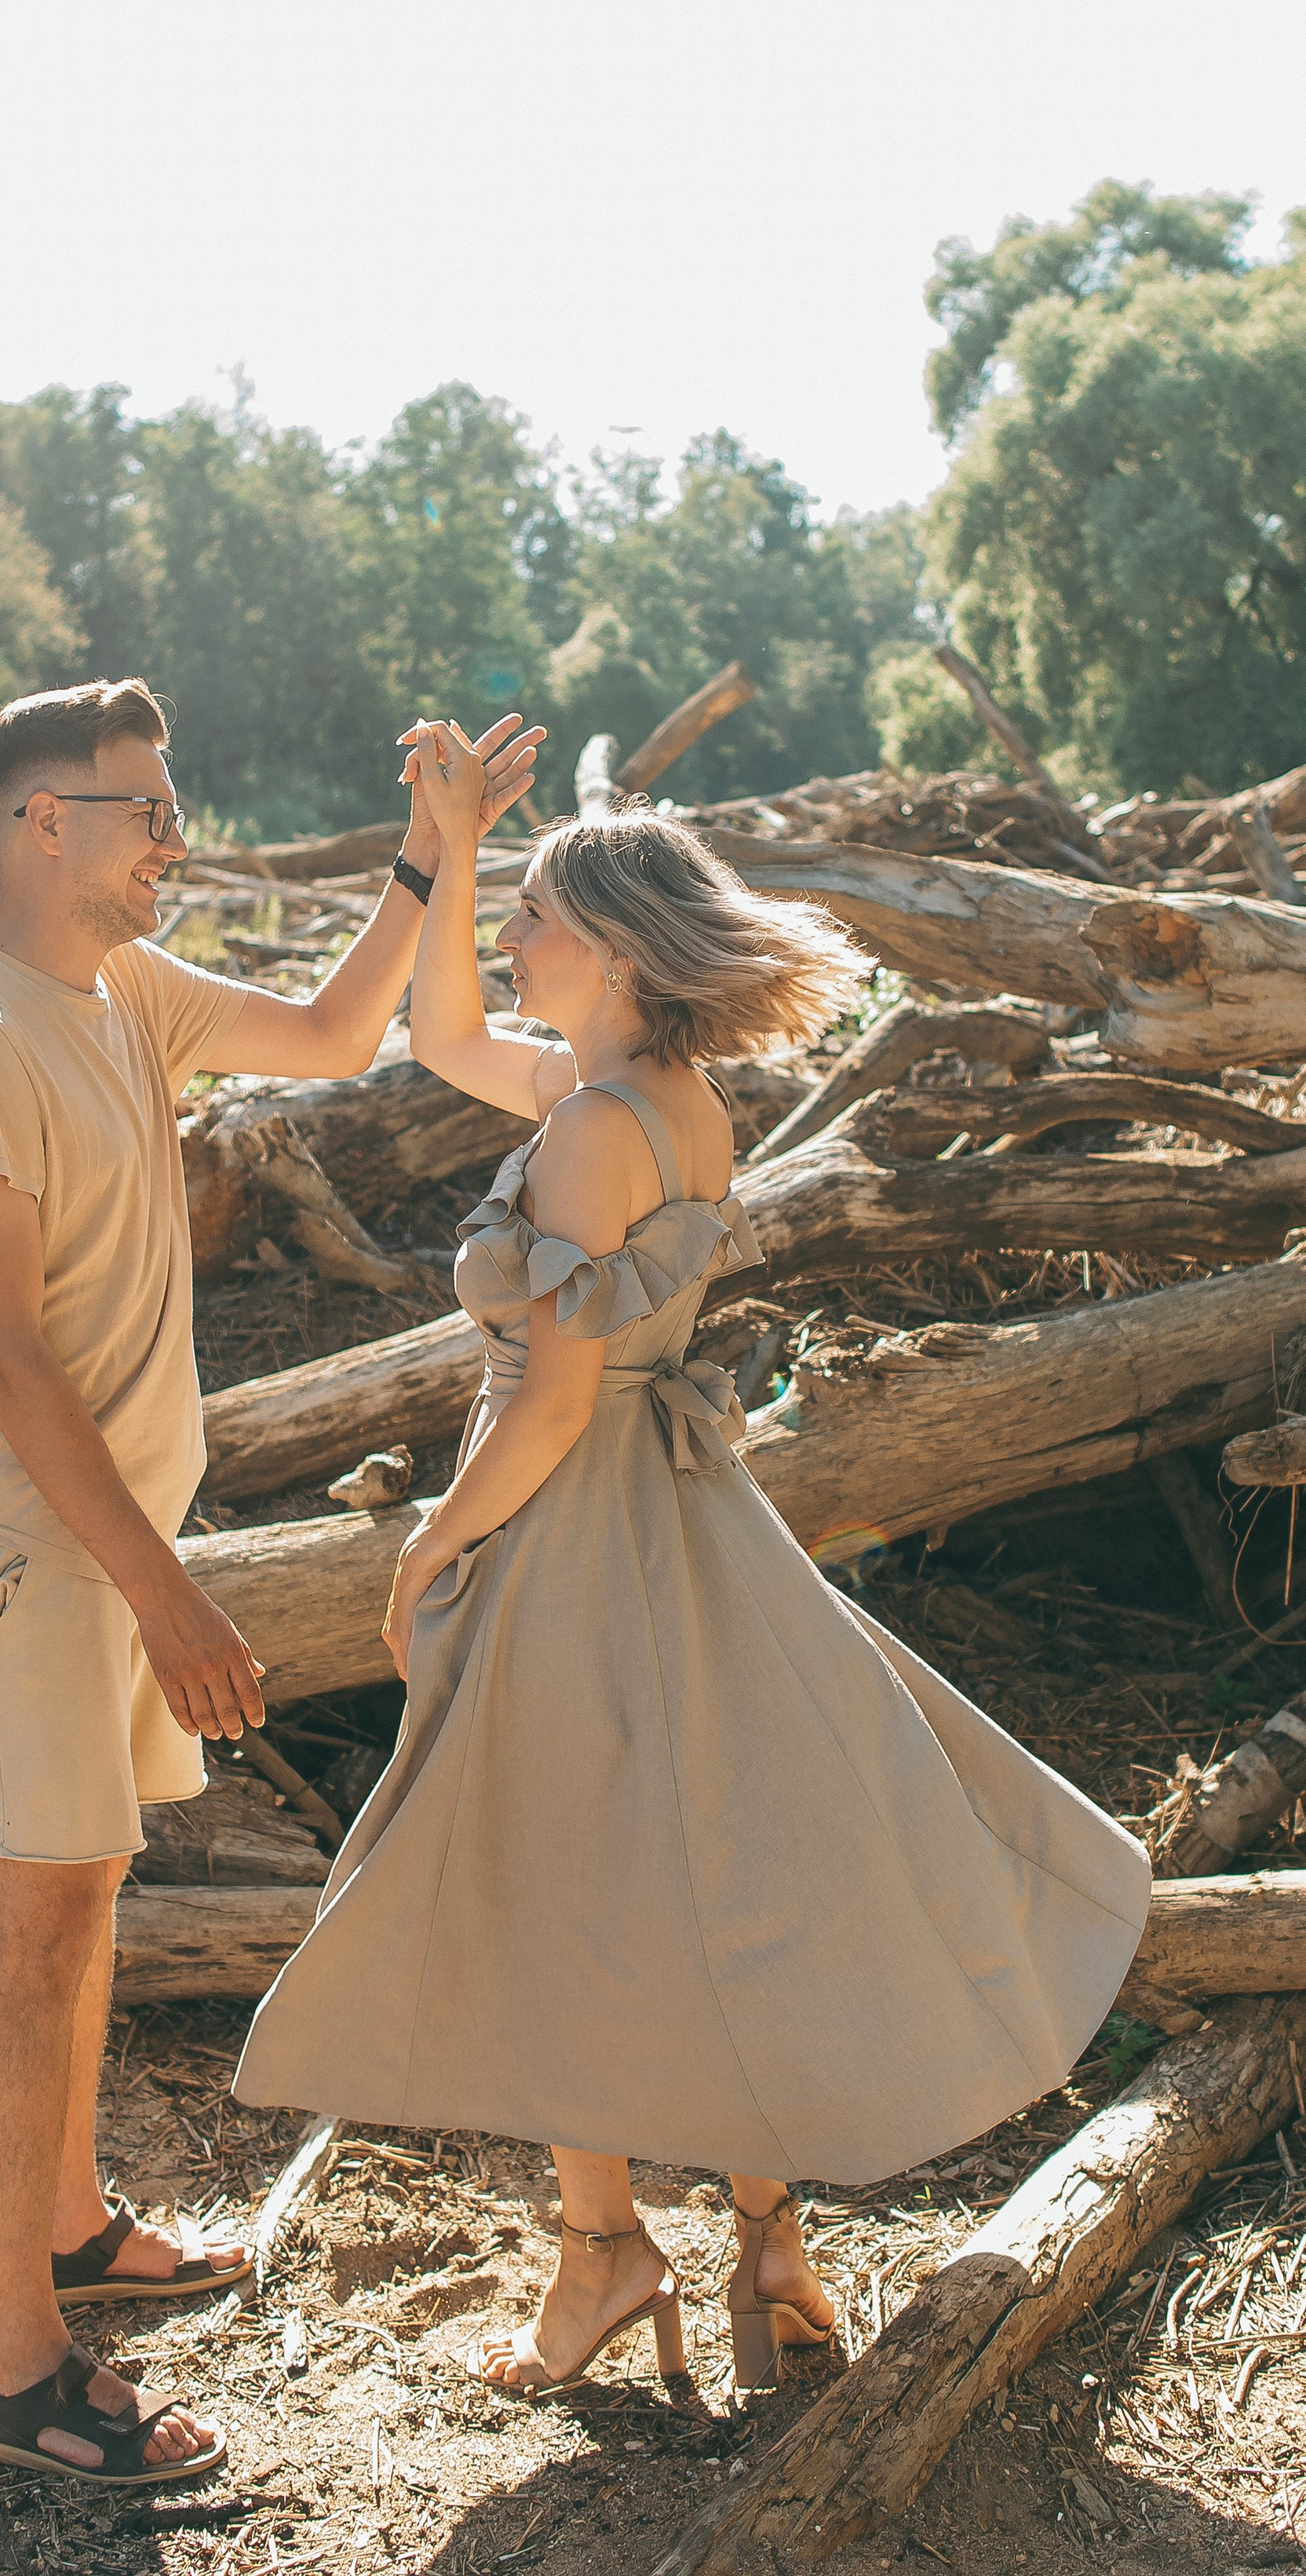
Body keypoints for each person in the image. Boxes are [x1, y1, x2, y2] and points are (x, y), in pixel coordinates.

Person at [234, 722, 1151, 2399]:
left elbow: (557, 1393)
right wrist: (436, 840)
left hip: (574, 1517)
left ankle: (602, 2252)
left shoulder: (590, 1130)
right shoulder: (654, 1100)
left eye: (529, 916)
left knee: (563, 1875)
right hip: (675, 1516)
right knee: (702, 1867)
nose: (508, 939)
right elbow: (435, 1029)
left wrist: (434, 1537)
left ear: (614, 948)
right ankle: (766, 2252)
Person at [0, 678, 542, 2483]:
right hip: (29, 1542)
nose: (175, 835)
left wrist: (433, 851)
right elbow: (8, 1362)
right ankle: (12, 2373)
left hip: (102, 1540)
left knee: (82, 1890)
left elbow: (342, 1037)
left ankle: (72, 2229)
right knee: (27, 1917)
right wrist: (168, 1591)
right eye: (141, 808)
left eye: (171, 804)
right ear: (38, 826)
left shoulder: (125, 993)